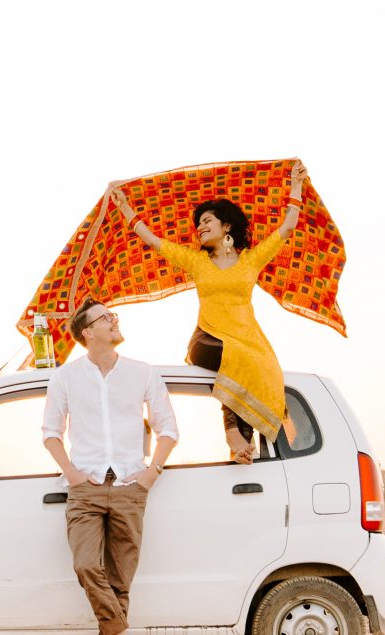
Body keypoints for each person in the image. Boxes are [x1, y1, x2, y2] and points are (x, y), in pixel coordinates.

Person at [112, 164, 303, 463]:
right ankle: (231, 431)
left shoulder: (250, 261)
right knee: (238, 358)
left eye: (207, 221)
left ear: (226, 227)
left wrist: (296, 185)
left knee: (259, 365)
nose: (199, 227)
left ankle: (242, 445)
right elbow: (152, 240)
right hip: (207, 340)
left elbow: (288, 227)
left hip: (246, 341)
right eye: (198, 223)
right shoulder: (196, 261)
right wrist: (125, 209)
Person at [43, 299, 178, 635]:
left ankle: (111, 628)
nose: (114, 320)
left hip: (131, 488)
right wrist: (73, 476)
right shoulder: (65, 377)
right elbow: (50, 434)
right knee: (86, 565)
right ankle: (116, 627)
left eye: (112, 315)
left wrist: (151, 474)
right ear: (88, 332)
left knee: (121, 580)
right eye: (106, 318)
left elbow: (168, 429)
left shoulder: (143, 372)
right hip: (85, 489)